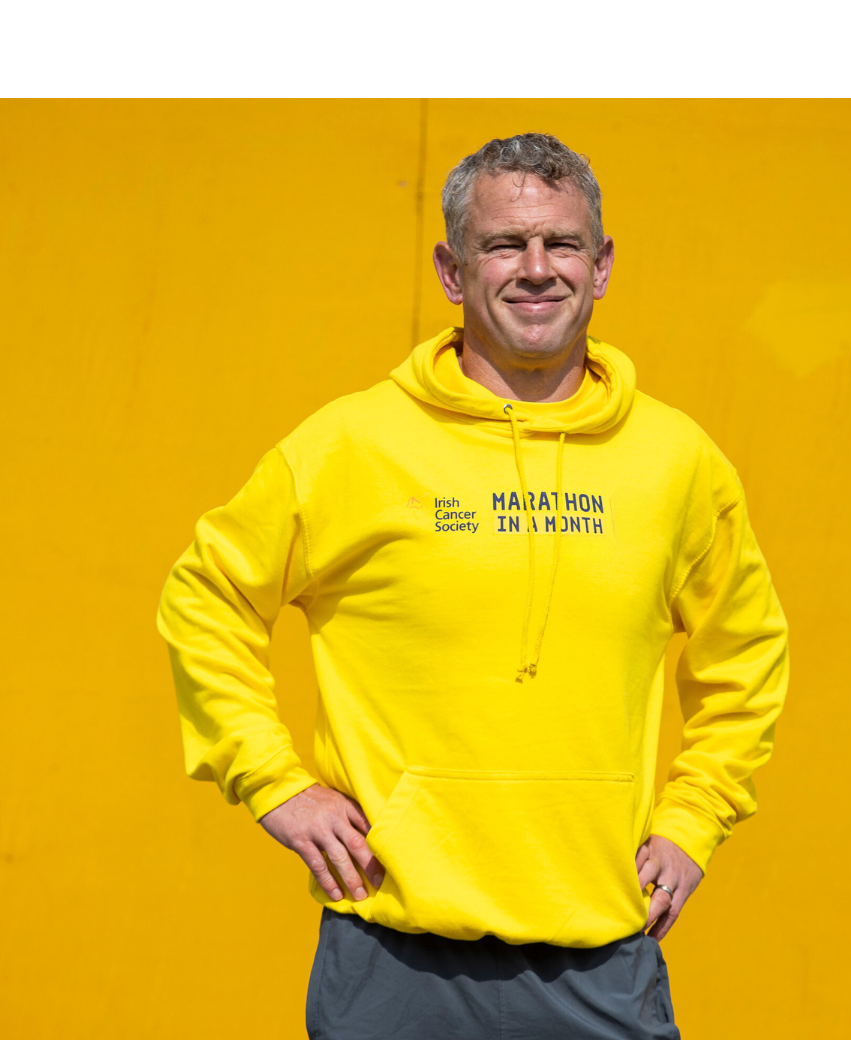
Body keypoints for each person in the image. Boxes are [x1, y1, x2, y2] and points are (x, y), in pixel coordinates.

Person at [158, 133, 789, 1040]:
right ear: (452, 272)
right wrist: (273, 781)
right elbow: (204, 597)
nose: (537, 270)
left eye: (562, 244)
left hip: (603, 955)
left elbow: (749, 655)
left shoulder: (677, 463)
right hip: (391, 956)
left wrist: (695, 819)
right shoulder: (352, 445)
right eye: (504, 245)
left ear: (602, 265)